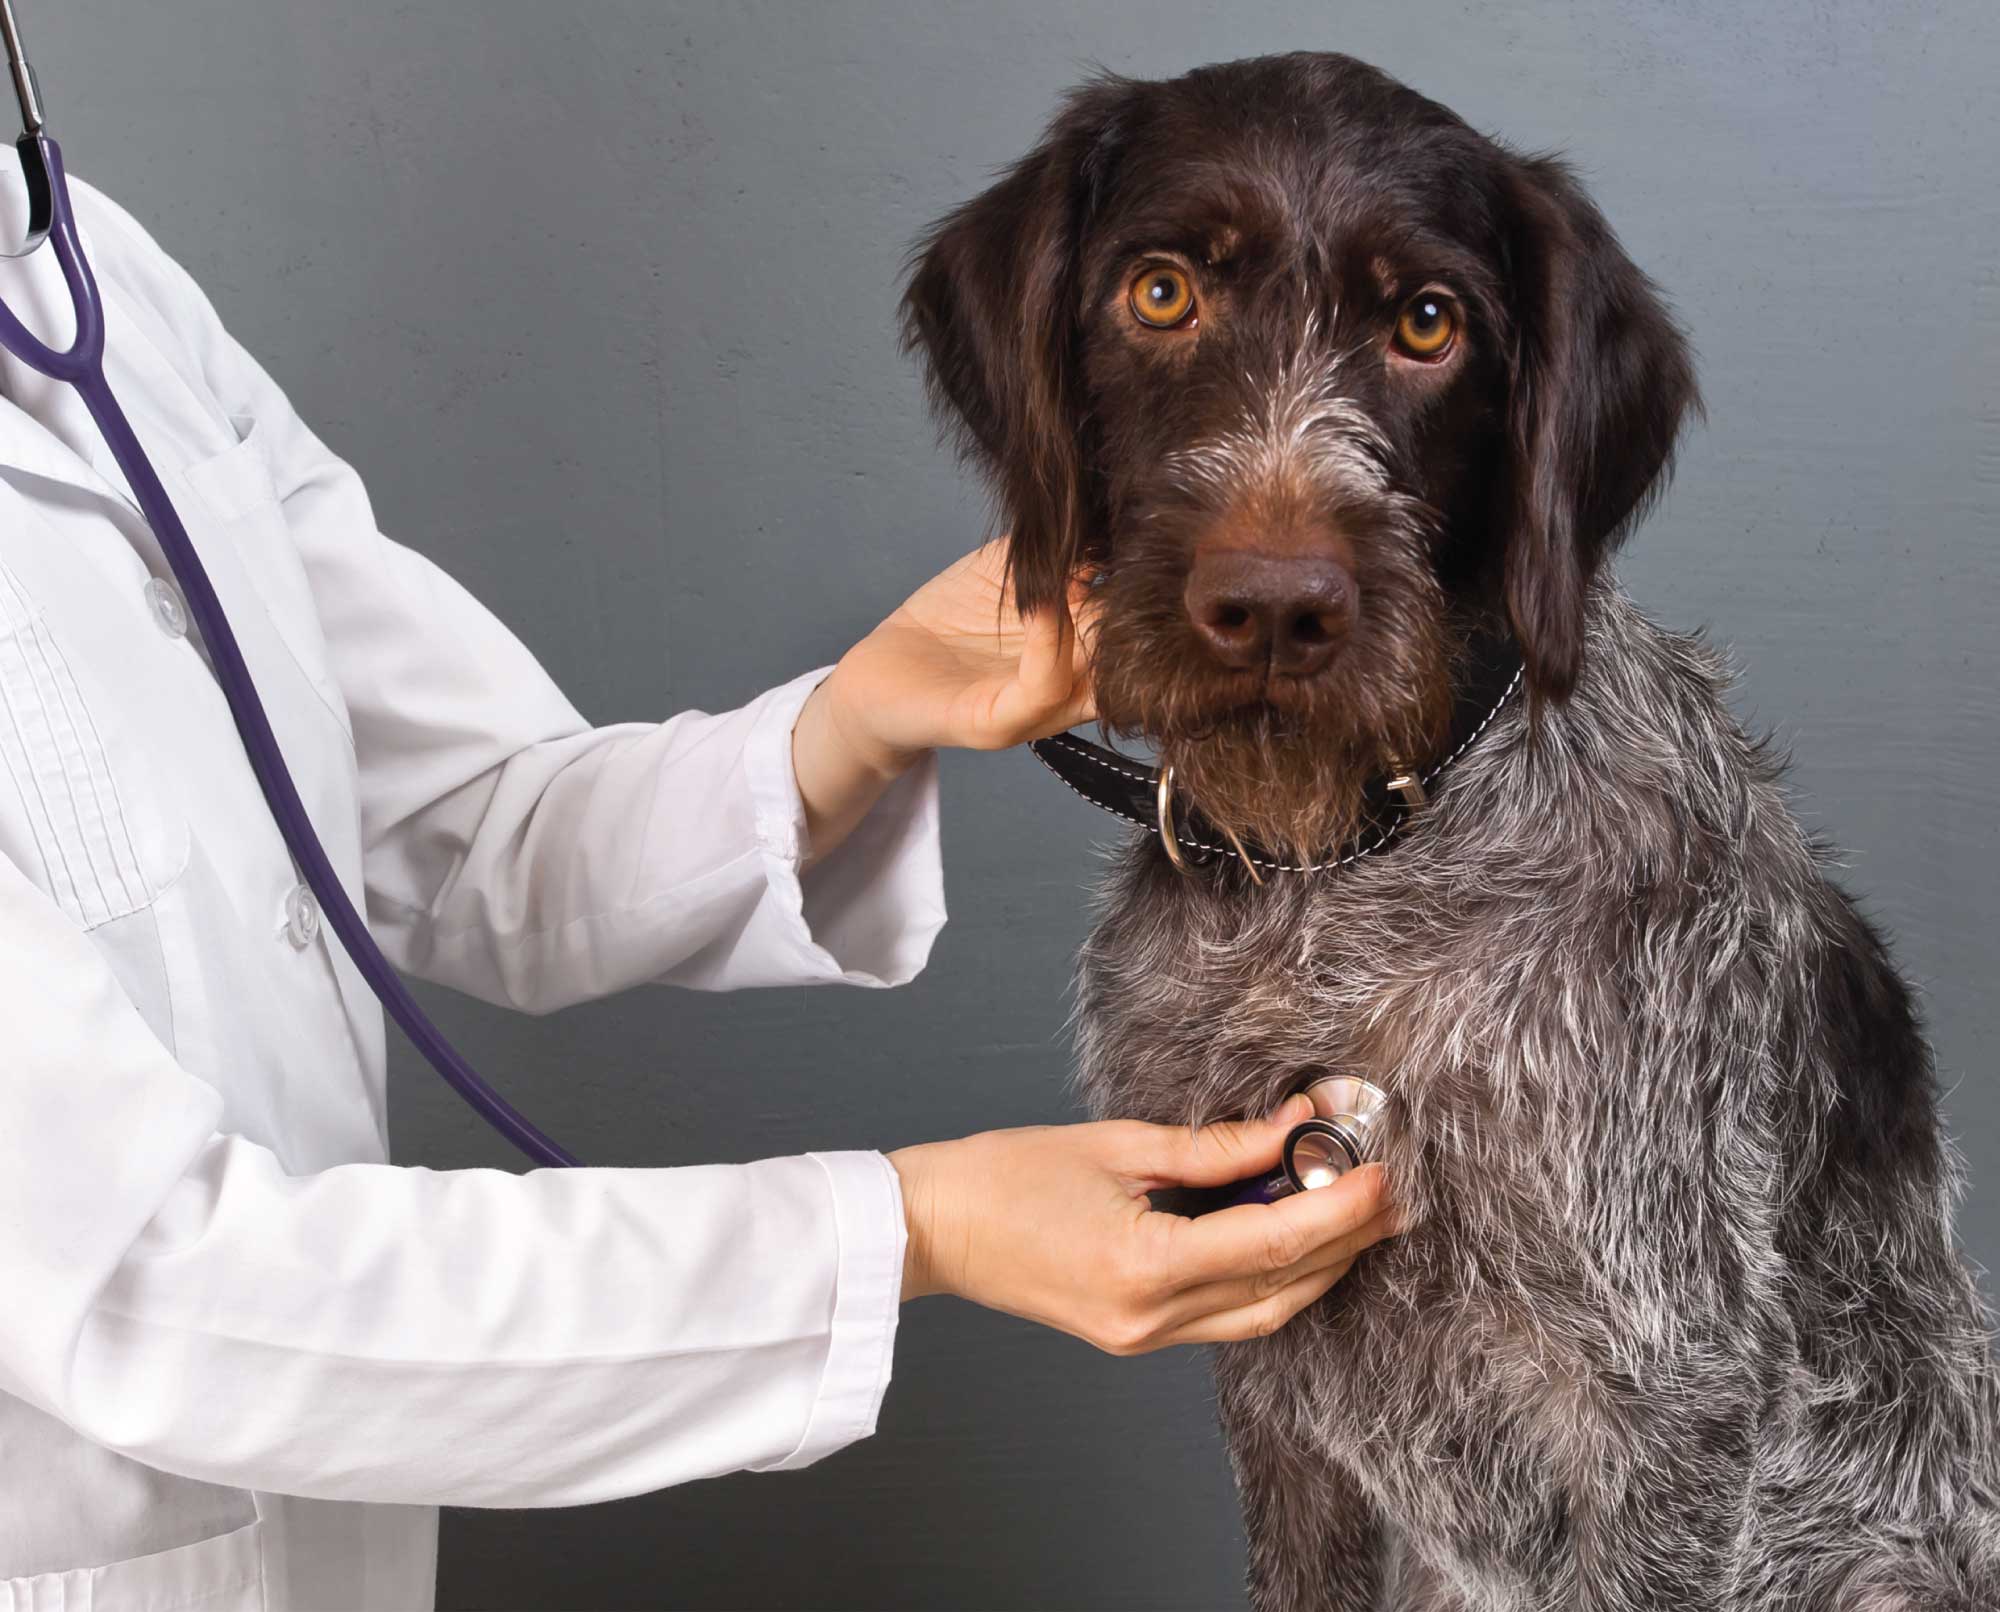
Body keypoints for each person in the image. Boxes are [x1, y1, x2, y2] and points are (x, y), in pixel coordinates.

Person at [0, 170, 1396, 1612]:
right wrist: (919, 1227)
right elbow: (155, 1297)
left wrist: (852, 722)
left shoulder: (82, 264)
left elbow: (469, 820)